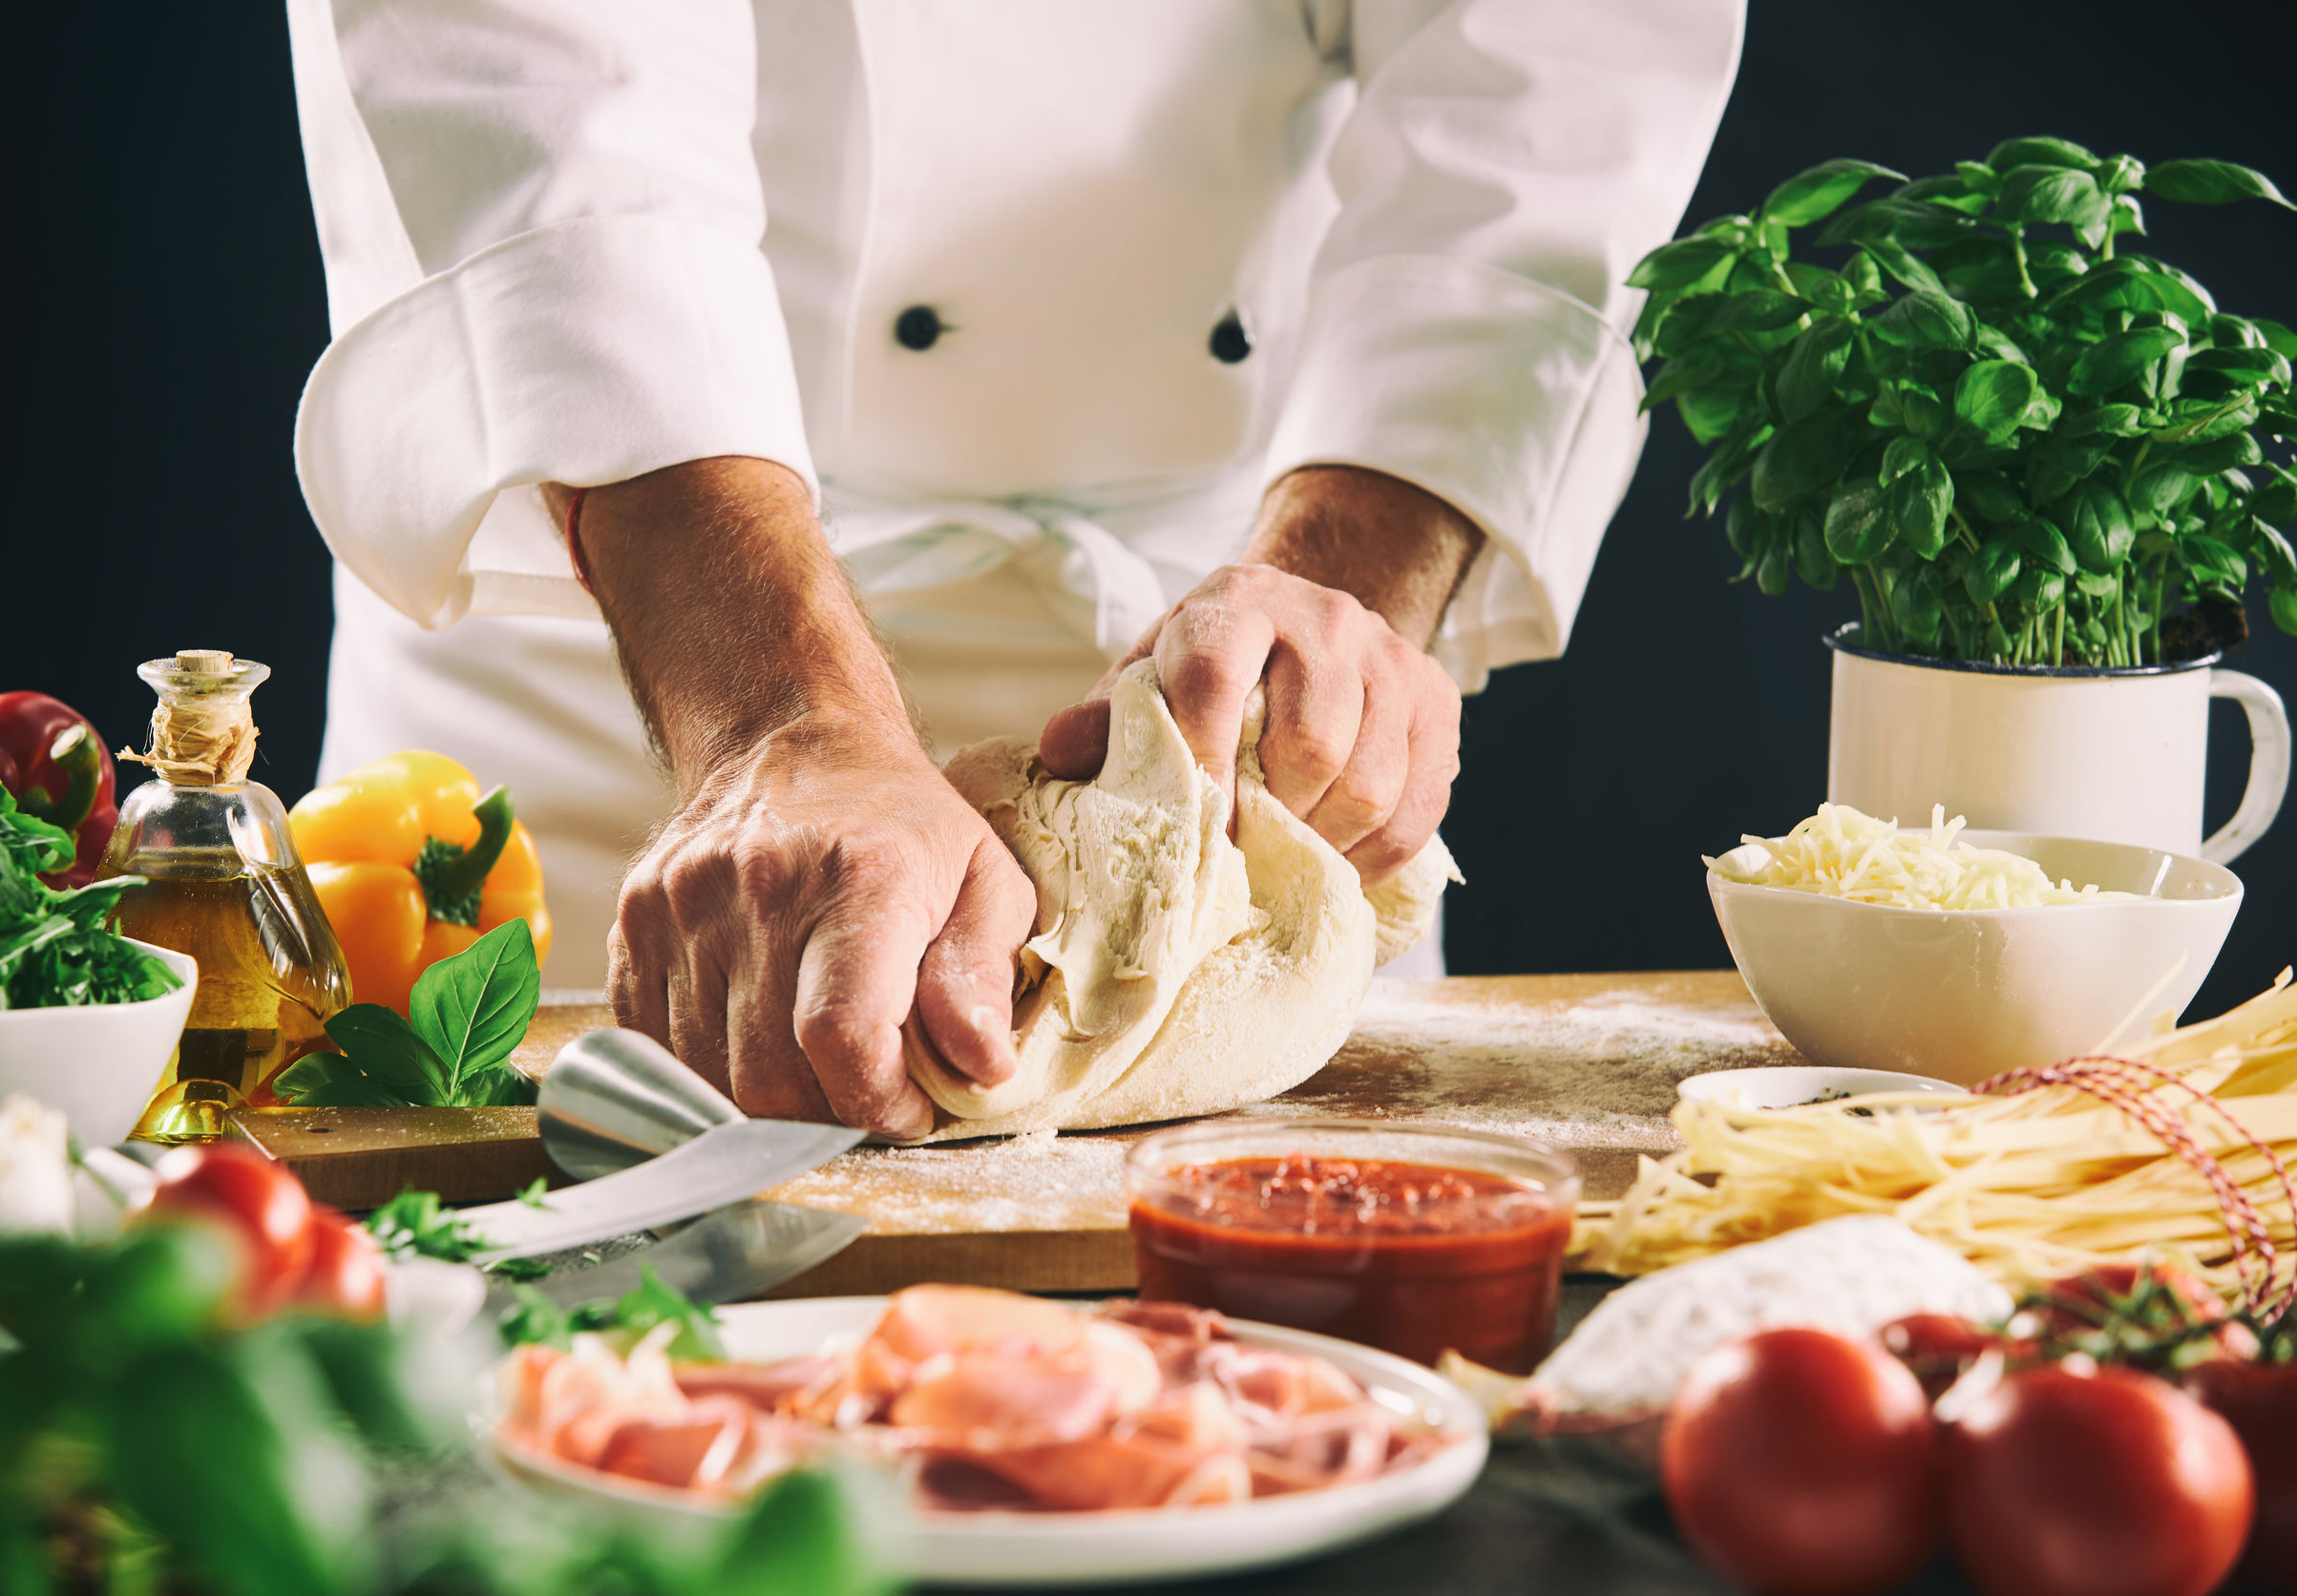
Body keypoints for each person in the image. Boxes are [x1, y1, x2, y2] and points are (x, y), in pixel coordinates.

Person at [287, 0, 1744, 1137]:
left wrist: (1345, 597)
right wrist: (777, 721)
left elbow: (1555, 70)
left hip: (1217, 664)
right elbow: (549, 100)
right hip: (620, 648)